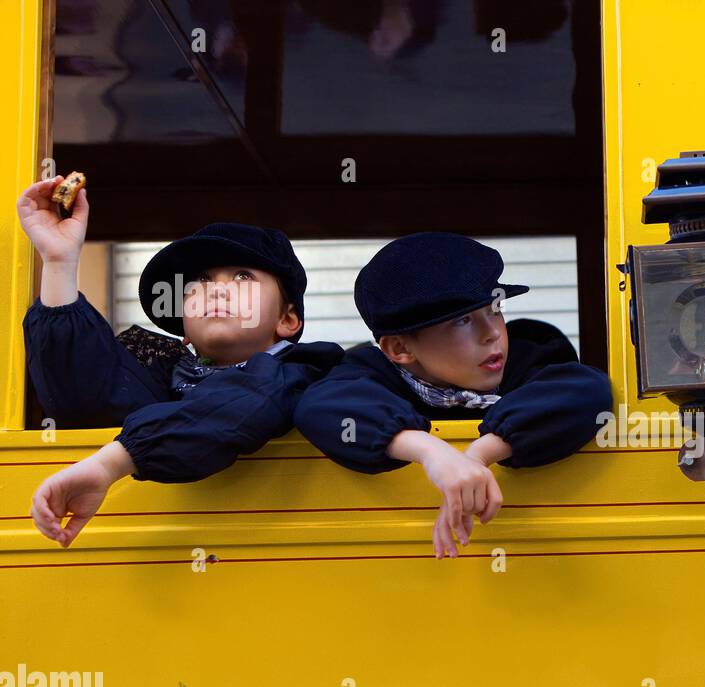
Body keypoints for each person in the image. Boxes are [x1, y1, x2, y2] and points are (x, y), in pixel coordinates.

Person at [18, 175, 343, 547]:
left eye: (243, 276)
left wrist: (109, 464)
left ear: (287, 320)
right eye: (201, 281)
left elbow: (239, 405)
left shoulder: (302, 373)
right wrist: (59, 261)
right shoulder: (163, 372)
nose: (217, 288)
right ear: (185, 330)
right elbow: (86, 391)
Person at [293, 232, 613, 558]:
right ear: (400, 348)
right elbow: (318, 407)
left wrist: (477, 456)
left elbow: (587, 391)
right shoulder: (369, 374)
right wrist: (432, 453)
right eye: (462, 320)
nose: (492, 333)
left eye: (495, 309)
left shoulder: (530, 351)